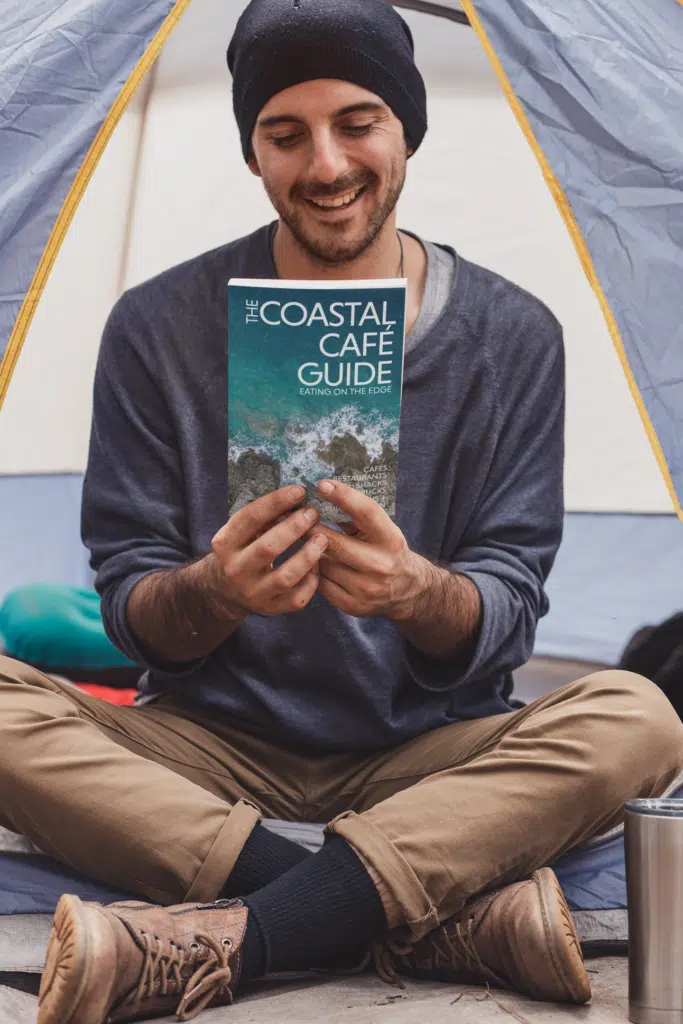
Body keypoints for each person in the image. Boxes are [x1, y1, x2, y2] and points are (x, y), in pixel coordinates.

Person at [2, 0, 680, 1021]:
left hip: (428, 751)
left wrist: (415, 593)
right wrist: (213, 593)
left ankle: (260, 922)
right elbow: (130, 595)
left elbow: (508, 595)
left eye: (357, 121)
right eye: (284, 133)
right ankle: (416, 914)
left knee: (636, 713)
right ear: (253, 153)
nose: (324, 165)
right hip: (211, 744)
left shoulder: (514, 335)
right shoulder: (156, 328)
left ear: (404, 128)